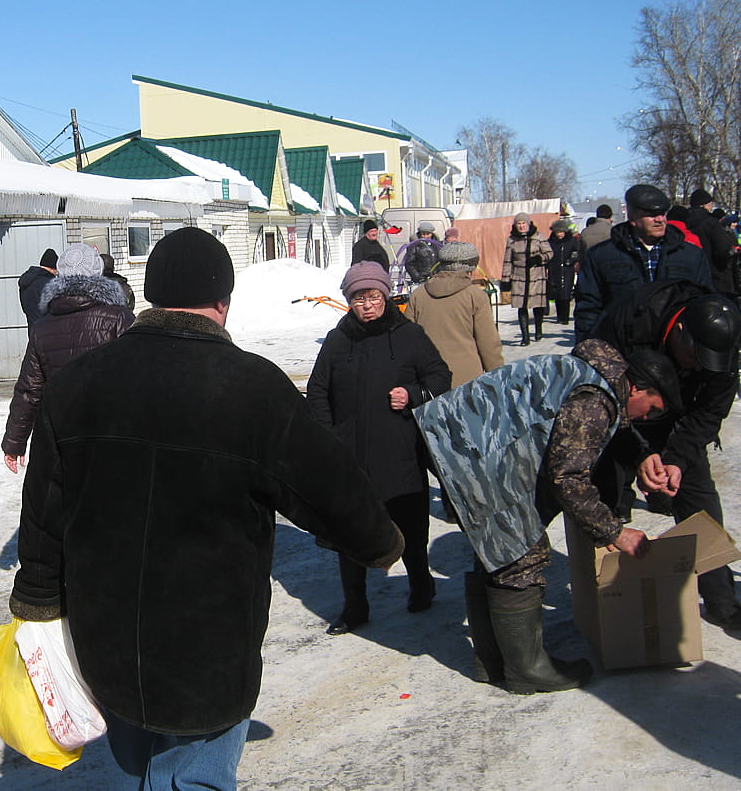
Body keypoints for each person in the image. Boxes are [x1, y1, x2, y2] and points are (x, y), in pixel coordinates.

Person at [10, 227, 403, 789]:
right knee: (195, 778)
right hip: (208, 648)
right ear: (223, 300)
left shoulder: (75, 384)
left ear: (147, 294)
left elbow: (44, 507)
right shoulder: (252, 387)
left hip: (107, 637)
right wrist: (379, 542)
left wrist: (38, 597)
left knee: (130, 768)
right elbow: (328, 485)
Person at [415, 340, 679, 693]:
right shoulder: (595, 399)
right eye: (652, 408)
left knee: (499, 550)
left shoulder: (588, 375)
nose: (648, 417)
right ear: (635, 387)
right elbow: (567, 477)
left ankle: (491, 661)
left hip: (458, 439)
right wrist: (614, 532)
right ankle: (527, 670)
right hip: (473, 449)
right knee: (523, 553)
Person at [306, 261, 451, 634]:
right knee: (350, 532)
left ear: (385, 296)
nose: (366, 305)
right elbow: (318, 389)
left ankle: (422, 584)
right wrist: (328, 436)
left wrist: (414, 394)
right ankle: (355, 606)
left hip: (400, 450)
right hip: (350, 455)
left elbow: (441, 376)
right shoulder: (339, 339)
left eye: (373, 297)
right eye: (358, 298)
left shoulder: (409, 335)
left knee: (410, 528)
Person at [588, 279, 741, 628]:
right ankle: (606, 599)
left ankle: (721, 599)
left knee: (699, 499)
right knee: (603, 499)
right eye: (695, 358)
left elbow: (710, 412)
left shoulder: (724, 345)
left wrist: (676, 458)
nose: (701, 367)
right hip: (621, 414)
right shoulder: (629, 320)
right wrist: (639, 452)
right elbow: (595, 392)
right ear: (681, 329)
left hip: (680, 419)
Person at [1, 243, 134, 473]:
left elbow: (29, 389)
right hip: (112, 433)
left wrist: (14, 442)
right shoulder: (119, 318)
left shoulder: (42, 328)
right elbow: (140, 378)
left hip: (61, 436)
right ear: (98, 274)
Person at [574, 184, 714, 342]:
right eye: (652, 215)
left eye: (662, 214)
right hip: (621, 351)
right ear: (632, 217)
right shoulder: (601, 256)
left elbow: (705, 303)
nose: (660, 220)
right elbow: (588, 308)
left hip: (674, 352)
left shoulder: (690, 255)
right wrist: (588, 348)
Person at [405, 241, 503, 388]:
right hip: (467, 379)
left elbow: (406, 339)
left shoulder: (418, 295)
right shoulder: (475, 296)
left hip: (428, 378)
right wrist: (498, 379)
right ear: (471, 267)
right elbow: (488, 344)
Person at [502, 213, 551, 345]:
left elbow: (550, 253)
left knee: (537, 305)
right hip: (519, 276)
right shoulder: (512, 240)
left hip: (536, 276)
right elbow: (507, 260)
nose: (521, 226)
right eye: (519, 223)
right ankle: (525, 337)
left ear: (528, 224)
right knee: (521, 306)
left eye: (524, 223)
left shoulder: (539, 236)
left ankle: (538, 329)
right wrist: (505, 279)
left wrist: (538, 259)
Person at [686, 189, 737, 295]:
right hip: (713, 273)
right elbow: (722, 247)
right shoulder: (711, 222)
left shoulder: (684, 220)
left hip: (688, 273)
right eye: (710, 204)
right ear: (704, 205)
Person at [545, 219, 579, 326]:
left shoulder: (571, 240)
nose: (559, 234)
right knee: (557, 293)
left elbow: (577, 251)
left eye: (561, 232)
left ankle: (565, 317)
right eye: (557, 232)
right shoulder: (551, 242)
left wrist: (571, 260)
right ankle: (559, 316)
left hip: (567, 270)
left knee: (566, 293)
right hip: (554, 270)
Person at [18, 248, 58, 326]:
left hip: (32, 329)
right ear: (53, 268)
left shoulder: (26, 281)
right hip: (48, 330)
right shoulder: (49, 283)